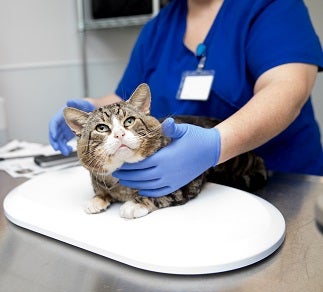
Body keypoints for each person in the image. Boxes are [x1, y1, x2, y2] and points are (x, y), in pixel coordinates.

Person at [49, 0, 323, 197]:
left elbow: (287, 89)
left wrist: (215, 145)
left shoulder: (272, 7)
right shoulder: (158, 28)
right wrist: (90, 108)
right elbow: (127, 104)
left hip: (282, 185)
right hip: (192, 188)